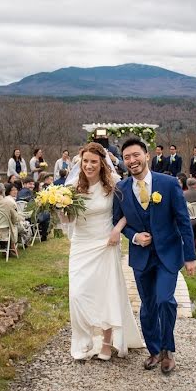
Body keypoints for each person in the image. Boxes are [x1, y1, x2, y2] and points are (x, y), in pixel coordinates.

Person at [113, 138, 196, 375]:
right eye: (127, 157)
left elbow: (183, 221)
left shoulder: (168, 184)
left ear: (147, 155)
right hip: (141, 257)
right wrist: (135, 236)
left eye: (136, 155)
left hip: (168, 255)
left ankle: (168, 349)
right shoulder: (121, 189)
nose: (132, 161)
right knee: (147, 305)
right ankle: (154, 350)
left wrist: (190, 257)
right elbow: (117, 222)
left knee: (164, 300)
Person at [63, 142, 144, 361]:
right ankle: (84, 340)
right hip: (81, 244)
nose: (89, 166)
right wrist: (59, 208)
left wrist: (117, 230)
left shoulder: (114, 184)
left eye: (93, 162)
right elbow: (68, 219)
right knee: (78, 295)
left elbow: (131, 211)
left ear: (102, 164)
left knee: (106, 293)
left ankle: (107, 343)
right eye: (85, 161)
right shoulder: (72, 189)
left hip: (106, 243)